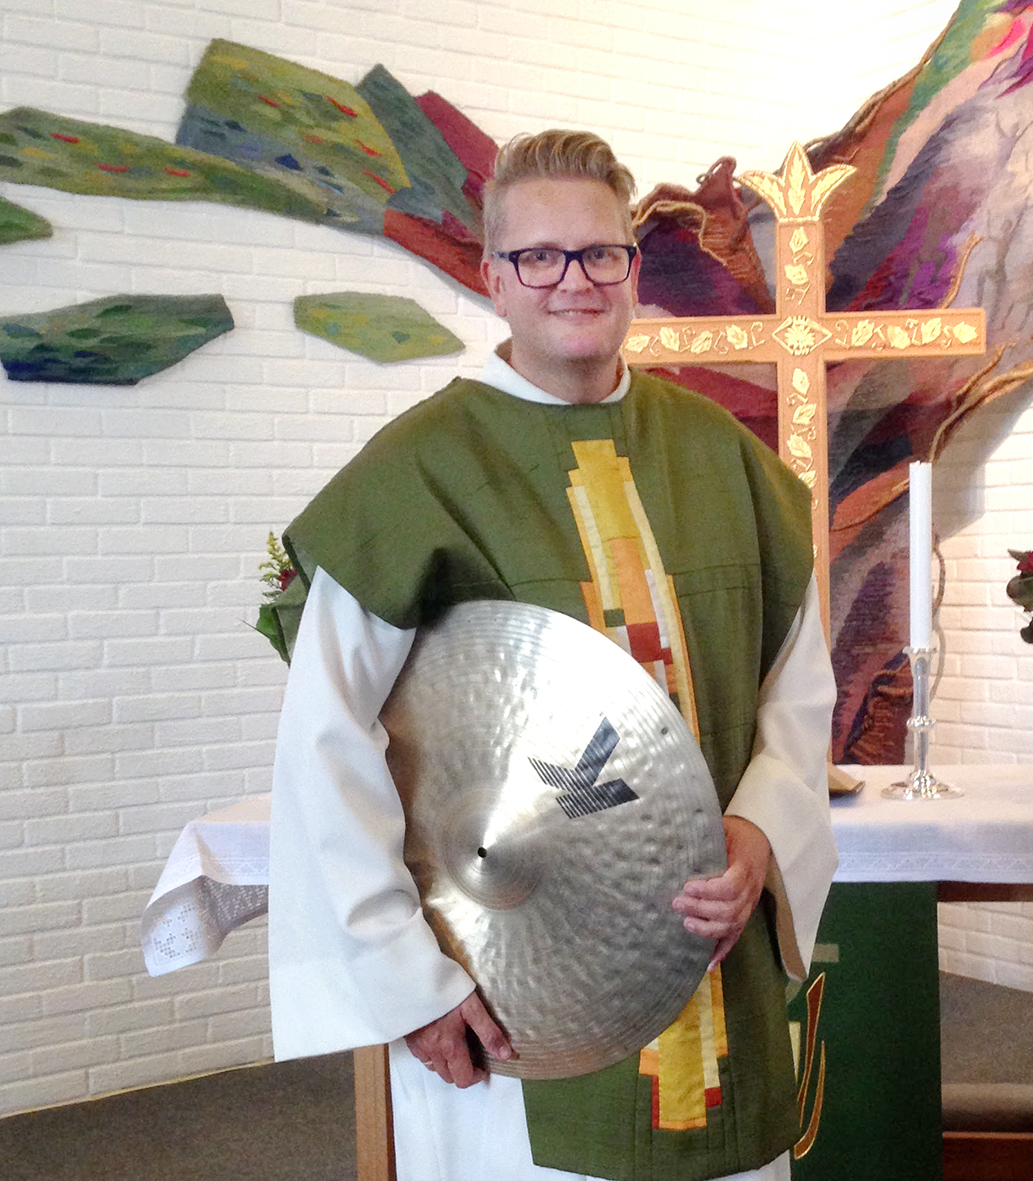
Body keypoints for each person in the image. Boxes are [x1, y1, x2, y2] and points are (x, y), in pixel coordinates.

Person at [265, 129, 838, 1181]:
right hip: (507, 977)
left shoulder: (725, 457)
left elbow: (796, 692)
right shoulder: (417, 473)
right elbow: (324, 743)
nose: (573, 280)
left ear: (633, 266)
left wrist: (760, 830)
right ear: (493, 277)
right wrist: (409, 980)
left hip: (714, 953)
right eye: (538, 256)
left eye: (600, 252)